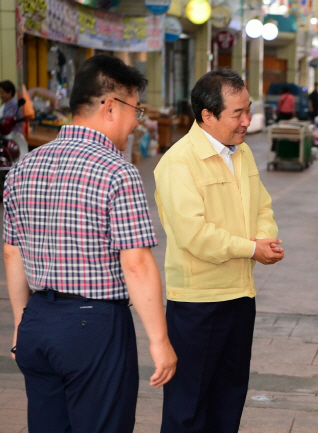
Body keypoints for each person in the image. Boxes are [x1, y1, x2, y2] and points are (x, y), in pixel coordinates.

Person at [4, 55, 177, 433]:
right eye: (136, 109)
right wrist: (159, 341)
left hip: (38, 322)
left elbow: (11, 251)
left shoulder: (24, 167)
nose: (137, 122)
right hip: (93, 328)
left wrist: (21, 321)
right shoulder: (117, 172)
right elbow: (136, 264)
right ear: (110, 106)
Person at [154, 68, 284, 433]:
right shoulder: (179, 162)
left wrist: (264, 239)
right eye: (237, 114)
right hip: (198, 301)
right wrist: (251, 248)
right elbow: (194, 234)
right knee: (188, 405)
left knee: (229, 398)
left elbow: (263, 207)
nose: (247, 120)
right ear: (207, 116)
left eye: (248, 110)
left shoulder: (241, 154)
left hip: (241, 294)